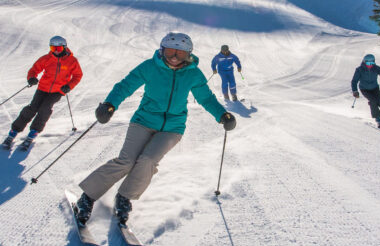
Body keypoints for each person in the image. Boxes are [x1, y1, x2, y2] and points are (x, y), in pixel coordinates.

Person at [75, 32, 236, 225]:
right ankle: (87, 197)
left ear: (189, 55)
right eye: (170, 52)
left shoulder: (193, 73)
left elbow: (206, 98)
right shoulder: (150, 67)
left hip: (173, 127)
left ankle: (124, 198)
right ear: (162, 50)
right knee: (126, 161)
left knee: (148, 160)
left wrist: (222, 114)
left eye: (180, 54)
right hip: (143, 120)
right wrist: (110, 104)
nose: (174, 57)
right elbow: (125, 86)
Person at [2, 36, 83, 149]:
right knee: (32, 108)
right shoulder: (46, 58)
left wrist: (69, 86)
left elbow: (78, 75)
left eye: (58, 48)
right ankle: (14, 131)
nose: (55, 51)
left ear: (64, 47)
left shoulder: (72, 61)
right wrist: (32, 78)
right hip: (42, 88)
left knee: (45, 109)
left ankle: (33, 132)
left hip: (57, 91)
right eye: (52, 48)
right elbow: (34, 69)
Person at [351, 54, 380, 128]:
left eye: (372, 63)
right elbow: (354, 81)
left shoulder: (376, 68)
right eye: (368, 63)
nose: (370, 65)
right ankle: (378, 120)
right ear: (364, 62)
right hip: (365, 89)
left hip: (375, 88)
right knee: (373, 101)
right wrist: (355, 91)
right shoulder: (359, 69)